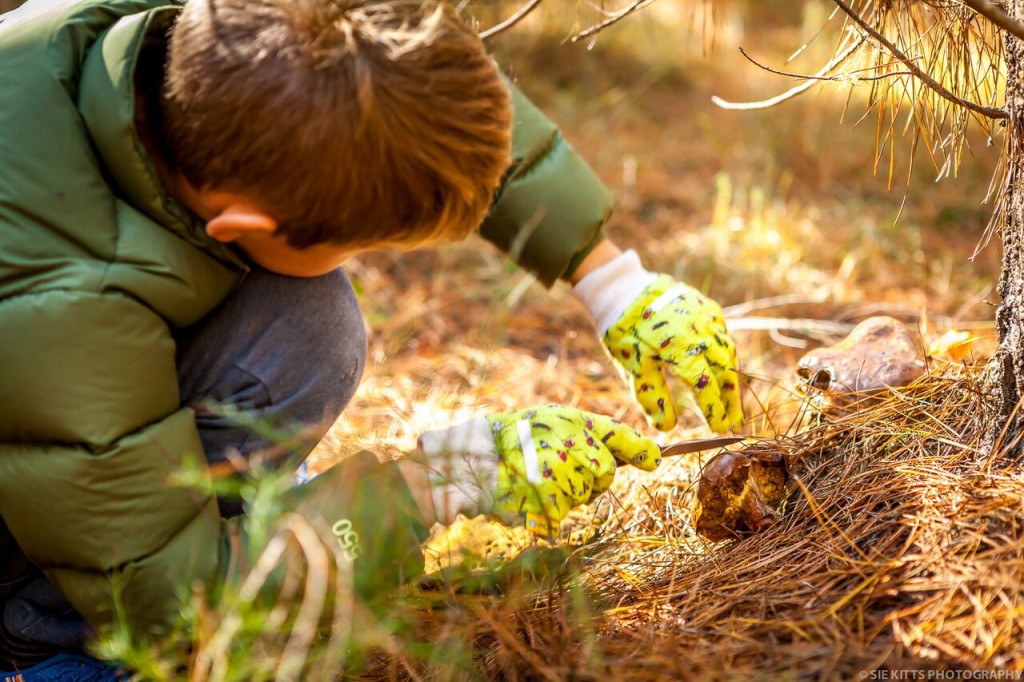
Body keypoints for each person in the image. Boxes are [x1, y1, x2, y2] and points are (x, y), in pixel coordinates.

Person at [0, 0, 742, 677]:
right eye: (358, 243)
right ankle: (47, 638)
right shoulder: (59, 301)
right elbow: (170, 601)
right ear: (242, 227)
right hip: (39, 444)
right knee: (307, 323)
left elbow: (399, 85)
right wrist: (438, 483)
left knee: (305, 320)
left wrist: (614, 284)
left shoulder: (230, 38)